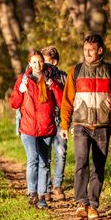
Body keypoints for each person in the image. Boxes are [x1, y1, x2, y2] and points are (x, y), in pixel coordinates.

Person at [60, 34, 111, 220]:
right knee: (81, 162)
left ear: (100, 51)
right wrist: (65, 124)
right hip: (81, 124)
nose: (87, 53)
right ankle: (81, 203)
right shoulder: (76, 71)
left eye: (91, 50)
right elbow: (67, 101)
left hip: (103, 125)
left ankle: (93, 204)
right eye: (85, 49)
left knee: (99, 166)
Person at [9, 50, 63, 209]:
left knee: (44, 163)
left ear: (44, 63)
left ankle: (42, 198)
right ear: (29, 64)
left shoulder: (51, 80)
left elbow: (61, 102)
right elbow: (14, 103)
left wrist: (53, 86)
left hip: (46, 127)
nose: (37, 65)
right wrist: (21, 90)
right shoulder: (23, 80)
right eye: (34, 62)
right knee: (33, 159)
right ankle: (31, 193)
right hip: (28, 128)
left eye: (40, 62)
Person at [41, 46, 68, 201]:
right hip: (45, 119)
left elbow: (68, 99)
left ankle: (57, 185)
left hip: (60, 120)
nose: (44, 64)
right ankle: (46, 186)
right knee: (46, 154)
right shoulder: (39, 76)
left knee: (61, 151)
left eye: (47, 61)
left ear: (55, 61)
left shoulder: (63, 77)